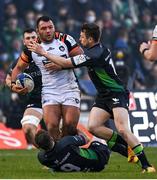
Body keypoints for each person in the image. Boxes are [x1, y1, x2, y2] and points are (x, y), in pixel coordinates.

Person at [28, 23, 156, 173]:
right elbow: (67, 64)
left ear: (89, 39)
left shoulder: (94, 54)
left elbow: (67, 62)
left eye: (82, 36)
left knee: (122, 129)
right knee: (93, 127)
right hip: (103, 96)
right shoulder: (93, 51)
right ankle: (127, 149)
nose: (80, 38)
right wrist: (61, 65)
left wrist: (43, 52)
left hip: (116, 93)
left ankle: (147, 166)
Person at [11, 16, 83, 141]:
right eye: (44, 28)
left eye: (50, 27)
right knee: (52, 127)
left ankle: (74, 144)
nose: (48, 31)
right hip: (49, 90)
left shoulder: (65, 39)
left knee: (70, 127)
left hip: (69, 87)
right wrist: (13, 84)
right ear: (38, 31)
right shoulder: (31, 48)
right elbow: (18, 68)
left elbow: (82, 59)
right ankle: (60, 157)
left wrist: (62, 66)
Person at [5, 28, 44, 149]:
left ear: (37, 38)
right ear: (23, 42)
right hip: (34, 100)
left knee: (57, 130)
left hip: (53, 97)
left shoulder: (48, 53)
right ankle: (48, 151)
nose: (31, 40)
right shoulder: (19, 61)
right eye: (28, 38)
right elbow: (8, 78)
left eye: (33, 37)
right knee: (27, 129)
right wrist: (13, 87)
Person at [35, 129, 110, 172]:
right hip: (100, 160)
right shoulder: (65, 142)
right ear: (51, 138)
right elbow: (86, 139)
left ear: (40, 146)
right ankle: (120, 147)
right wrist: (76, 129)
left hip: (88, 169)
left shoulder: (41, 158)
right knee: (98, 136)